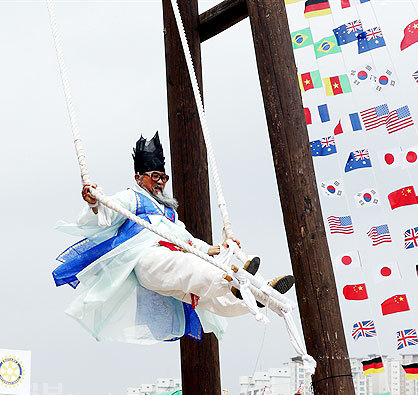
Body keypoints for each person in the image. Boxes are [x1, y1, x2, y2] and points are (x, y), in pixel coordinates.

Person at [52, 133, 293, 344]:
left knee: (206, 299)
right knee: (191, 268)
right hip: (149, 259)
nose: (160, 181)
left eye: (164, 178)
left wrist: (218, 249)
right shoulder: (132, 199)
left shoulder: (170, 214)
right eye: (155, 175)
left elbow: (188, 241)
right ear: (139, 178)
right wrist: (95, 201)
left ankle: (261, 296)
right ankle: (235, 281)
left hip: (174, 257)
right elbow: (108, 209)